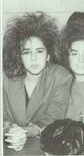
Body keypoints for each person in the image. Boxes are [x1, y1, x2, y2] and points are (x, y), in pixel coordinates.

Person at [3, 12, 73, 150]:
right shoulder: (5, 78)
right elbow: (3, 117)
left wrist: (25, 132)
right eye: (27, 52)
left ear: (48, 55)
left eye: (39, 51)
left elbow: (53, 118)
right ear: (19, 56)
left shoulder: (60, 76)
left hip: (42, 146)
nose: (33, 58)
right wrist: (11, 134)